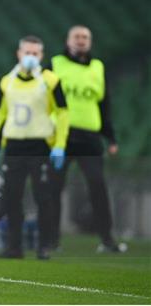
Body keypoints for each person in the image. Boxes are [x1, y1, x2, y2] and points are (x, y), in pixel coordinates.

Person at [46, 25, 125, 253]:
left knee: (98, 186)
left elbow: (104, 104)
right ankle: (51, 241)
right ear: (68, 40)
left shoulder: (98, 67)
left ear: (90, 42)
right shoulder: (55, 64)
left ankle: (107, 240)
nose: (81, 40)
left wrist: (110, 138)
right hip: (61, 137)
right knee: (54, 188)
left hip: (91, 138)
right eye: (77, 36)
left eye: (85, 37)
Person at [0, 35, 69, 260]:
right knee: (12, 198)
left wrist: (60, 145)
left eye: (35, 54)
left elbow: (63, 113)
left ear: (41, 56)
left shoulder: (51, 80)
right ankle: (14, 247)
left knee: (43, 197)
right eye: (27, 53)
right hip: (14, 146)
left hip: (40, 145)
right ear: (19, 54)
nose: (31, 57)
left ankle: (44, 246)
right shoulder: (7, 81)